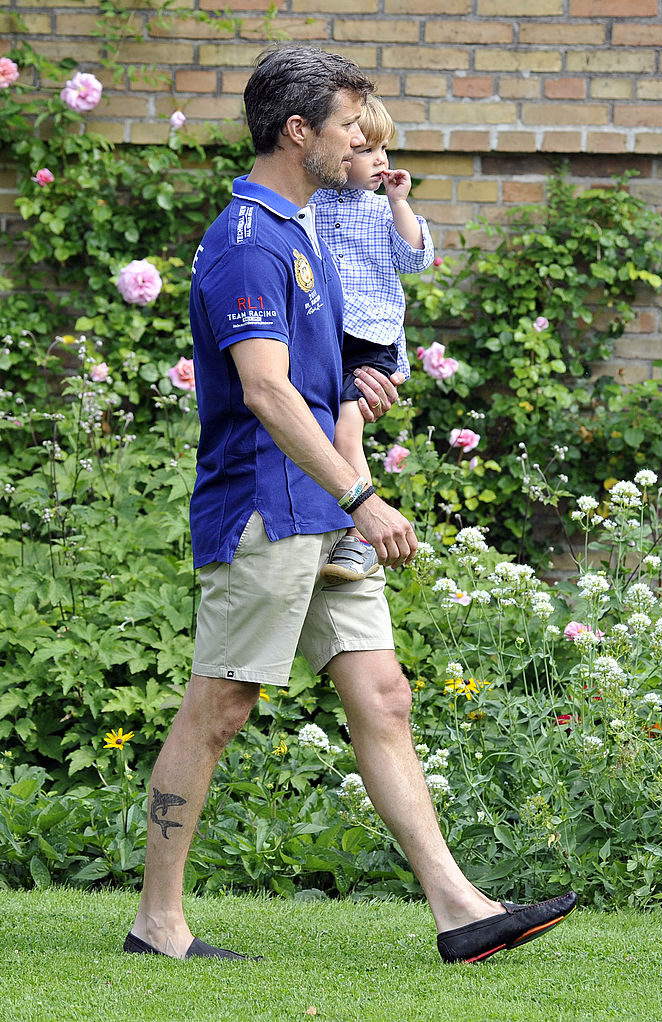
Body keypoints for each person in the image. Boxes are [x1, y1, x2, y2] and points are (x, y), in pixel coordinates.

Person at [123, 44, 576, 965]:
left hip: (323, 502)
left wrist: (360, 390)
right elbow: (265, 392)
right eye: (343, 128)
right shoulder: (250, 242)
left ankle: (458, 909)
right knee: (222, 706)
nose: (358, 144)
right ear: (299, 133)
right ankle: (157, 923)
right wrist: (362, 493)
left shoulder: (306, 230)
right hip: (266, 506)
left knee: (384, 696)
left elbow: (319, 379)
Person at [311, 95, 433, 584]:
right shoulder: (311, 203)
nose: (380, 159)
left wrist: (401, 203)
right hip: (327, 332)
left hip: (371, 338)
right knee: (320, 427)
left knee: (346, 427)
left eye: (386, 149)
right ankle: (339, 529)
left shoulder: (382, 209)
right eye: (367, 148)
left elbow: (415, 260)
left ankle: (359, 538)